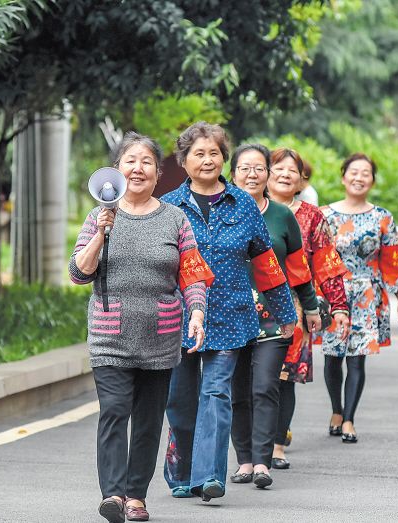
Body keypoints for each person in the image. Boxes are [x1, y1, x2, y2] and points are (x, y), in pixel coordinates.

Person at [69, 132, 213, 523]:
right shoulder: (97, 216)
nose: (138, 168)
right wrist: (102, 232)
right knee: (114, 411)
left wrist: (197, 312)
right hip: (110, 336)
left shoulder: (175, 218)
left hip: (161, 337)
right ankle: (113, 495)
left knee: (149, 421)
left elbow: (193, 274)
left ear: (157, 171)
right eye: (130, 161)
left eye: (147, 162)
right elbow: (78, 273)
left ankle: (136, 496)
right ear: (116, 170)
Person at [161, 123, 298, 502]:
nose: (207, 160)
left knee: (217, 393)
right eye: (198, 154)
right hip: (180, 318)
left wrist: (287, 313)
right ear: (184, 161)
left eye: (214, 153)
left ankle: (209, 476)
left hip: (232, 316)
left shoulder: (244, 205)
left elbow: (268, 264)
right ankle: (182, 473)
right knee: (180, 400)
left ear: (224, 158)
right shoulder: (168, 207)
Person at [227, 143, 321, 489]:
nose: (252, 175)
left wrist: (310, 308)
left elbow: (298, 269)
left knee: (265, 387)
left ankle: (263, 462)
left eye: (259, 168)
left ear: (267, 172)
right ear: (233, 173)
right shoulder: (223, 212)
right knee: (238, 391)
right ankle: (245, 460)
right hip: (231, 317)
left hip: (275, 317)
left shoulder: (283, 217)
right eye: (244, 168)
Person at [266, 148, 351, 468]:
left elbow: (327, 264)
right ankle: (253, 443)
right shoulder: (246, 208)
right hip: (248, 303)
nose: (286, 174)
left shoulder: (312, 217)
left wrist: (338, 306)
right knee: (252, 378)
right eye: (279, 168)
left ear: (302, 181)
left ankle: (276, 444)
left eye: (293, 170)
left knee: (284, 376)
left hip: (296, 307)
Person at [320, 152, 398, 443]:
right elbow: (316, 258)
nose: (359, 178)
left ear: (372, 181)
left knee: (357, 359)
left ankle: (349, 419)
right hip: (333, 294)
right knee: (333, 358)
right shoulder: (325, 215)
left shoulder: (382, 217)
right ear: (343, 176)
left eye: (366, 174)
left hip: (367, 295)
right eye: (354, 172)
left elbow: (391, 260)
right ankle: (336, 409)